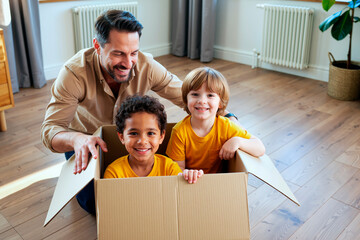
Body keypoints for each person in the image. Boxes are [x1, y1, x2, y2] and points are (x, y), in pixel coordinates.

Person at [40, 10, 237, 214]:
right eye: (118, 53)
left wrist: (230, 118)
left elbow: (189, 97)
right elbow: (50, 130)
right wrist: (76, 139)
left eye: (133, 53)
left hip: (134, 136)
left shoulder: (146, 65)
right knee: (96, 203)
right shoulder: (73, 74)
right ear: (97, 46)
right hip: (88, 142)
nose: (127, 63)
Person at [166, 67, 265, 182]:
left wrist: (237, 141)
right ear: (186, 99)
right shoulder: (179, 131)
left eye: (210, 95)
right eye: (195, 94)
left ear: (220, 103)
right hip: (189, 183)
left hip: (217, 184)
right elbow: (176, 168)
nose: (202, 101)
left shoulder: (226, 126)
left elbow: (260, 148)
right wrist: (187, 173)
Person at [104, 95, 203, 183]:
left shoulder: (169, 169)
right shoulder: (114, 173)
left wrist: (190, 177)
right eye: (134, 133)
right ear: (121, 137)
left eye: (150, 133)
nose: (142, 141)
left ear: (161, 136)